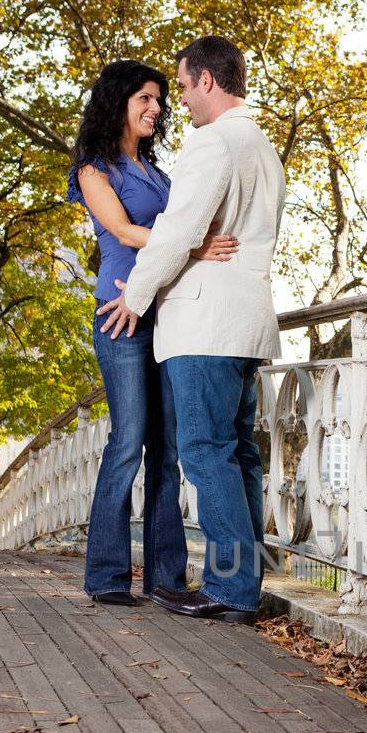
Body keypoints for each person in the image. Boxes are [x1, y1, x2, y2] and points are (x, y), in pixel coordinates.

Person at [97, 36, 286, 624]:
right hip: (248, 321)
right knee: (241, 456)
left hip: (205, 325)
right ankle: (247, 578)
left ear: (207, 80)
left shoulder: (212, 145)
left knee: (206, 455)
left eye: (180, 85)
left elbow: (178, 233)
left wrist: (138, 295)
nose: (179, 99)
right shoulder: (263, 146)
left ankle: (233, 590)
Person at [68, 60, 239, 606]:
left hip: (165, 316)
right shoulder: (94, 169)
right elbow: (120, 230)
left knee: (166, 448)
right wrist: (191, 244)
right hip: (120, 315)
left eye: (161, 100)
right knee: (128, 440)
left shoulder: (160, 174)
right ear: (118, 101)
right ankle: (108, 577)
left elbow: (185, 224)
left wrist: (193, 241)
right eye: (145, 97)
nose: (156, 108)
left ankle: (167, 579)